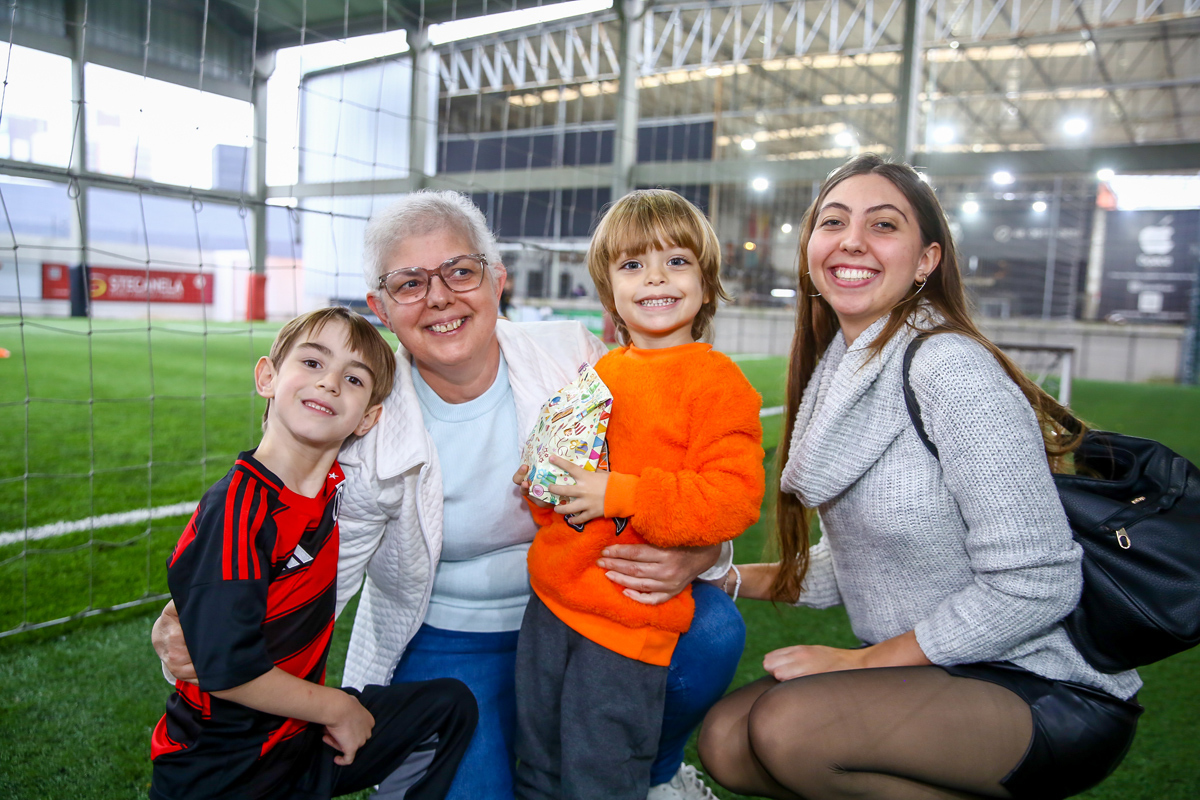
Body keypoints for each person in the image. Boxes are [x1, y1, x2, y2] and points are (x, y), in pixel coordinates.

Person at [153, 190, 745, 800]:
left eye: (460, 271)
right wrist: (198, 620)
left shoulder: (576, 358)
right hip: (446, 635)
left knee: (712, 631)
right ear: (381, 308)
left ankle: (655, 774)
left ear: (497, 281)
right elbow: (322, 568)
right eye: (410, 283)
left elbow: (672, 471)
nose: (439, 297)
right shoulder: (366, 426)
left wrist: (702, 554)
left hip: (580, 605)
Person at [697, 154, 1143, 800]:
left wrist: (864, 660)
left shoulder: (950, 368)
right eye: (833, 222)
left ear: (926, 260)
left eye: (883, 225)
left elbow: (1040, 582)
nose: (852, 240)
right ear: (810, 248)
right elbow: (863, 562)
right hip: (938, 671)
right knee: (727, 742)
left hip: (1040, 682)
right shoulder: (843, 368)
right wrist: (723, 575)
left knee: (788, 731)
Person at [150, 307, 477, 800]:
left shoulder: (332, 490)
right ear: (267, 377)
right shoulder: (238, 508)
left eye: (353, 378)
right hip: (223, 768)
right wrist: (336, 707)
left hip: (299, 742)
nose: (329, 383)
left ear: (367, 419)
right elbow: (228, 670)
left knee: (448, 707)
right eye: (312, 363)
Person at [511, 190, 765, 800]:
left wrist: (619, 493)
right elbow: (574, 489)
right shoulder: (602, 373)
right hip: (551, 601)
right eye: (633, 264)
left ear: (707, 283)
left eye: (676, 261)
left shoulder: (718, 384)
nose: (655, 277)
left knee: (601, 771)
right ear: (609, 290)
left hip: (628, 619)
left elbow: (731, 500)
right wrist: (545, 481)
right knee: (536, 760)